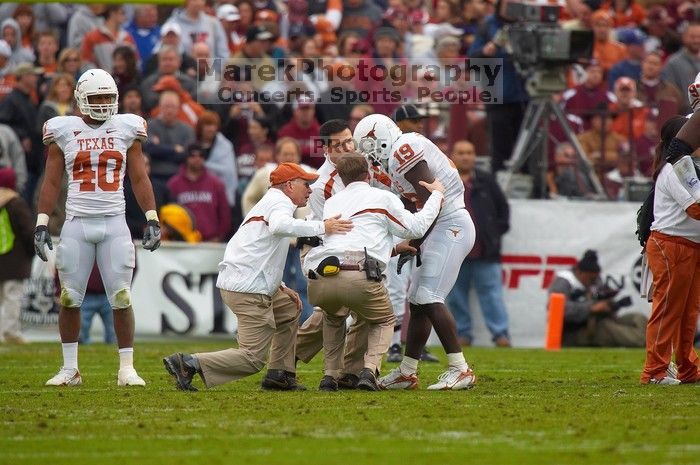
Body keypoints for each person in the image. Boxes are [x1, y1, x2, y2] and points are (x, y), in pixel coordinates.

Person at [162, 163, 353, 392]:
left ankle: (279, 374)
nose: (310, 190)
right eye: (306, 184)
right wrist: (323, 226)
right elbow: (279, 226)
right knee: (252, 358)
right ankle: (188, 363)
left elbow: (261, 250)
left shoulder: (273, 202)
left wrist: (280, 286)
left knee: (289, 309)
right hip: (248, 288)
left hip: (249, 282)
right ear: (290, 185)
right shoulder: (279, 202)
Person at [35, 69, 162, 387]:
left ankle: (127, 368)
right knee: (69, 298)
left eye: (108, 97)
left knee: (121, 296)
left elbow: (139, 177)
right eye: (97, 98)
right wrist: (41, 223)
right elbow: (51, 181)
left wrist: (152, 217)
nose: (104, 104)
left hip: (114, 222)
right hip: (76, 223)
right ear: (80, 99)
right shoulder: (63, 130)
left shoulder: (126, 128)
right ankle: (70, 368)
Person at [354, 114, 477, 390]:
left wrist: (415, 241)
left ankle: (461, 369)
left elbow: (433, 197)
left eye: (369, 147)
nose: (370, 156)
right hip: (441, 224)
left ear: (379, 140)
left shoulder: (402, 150)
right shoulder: (401, 150)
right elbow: (417, 205)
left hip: (450, 224)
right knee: (417, 301)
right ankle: (407, 372)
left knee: (428, 296)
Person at [304, 154, 446, 391]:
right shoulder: (382, 197)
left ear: (340, 177)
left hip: (322, 277)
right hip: (359, 274)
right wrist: (437, 195)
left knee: (333, 318)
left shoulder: (332, 203)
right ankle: (369, 371)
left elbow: (353, 239)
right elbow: (416, 226)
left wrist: (392, 249)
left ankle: (329, 376)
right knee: (384, 319)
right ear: (368, 174)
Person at [641, 115, 700, 385]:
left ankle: (688, 369)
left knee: (687, 314)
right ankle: (655, 371)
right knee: (668, 311)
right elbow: (695, 208)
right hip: (672, 245)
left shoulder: (688, 166)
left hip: (688, 246)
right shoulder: (675, 168)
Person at [447, 140, 511, 348]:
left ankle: (501, 335)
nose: (465, 157)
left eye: (469, 152)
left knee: (492, 295)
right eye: (461, 153)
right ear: (452, 156)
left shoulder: (486, 180)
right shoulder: (445, 181)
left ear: (475, 156)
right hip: (455, 251)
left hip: (485, 250)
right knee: (456, 297)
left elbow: (503, 211)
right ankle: (463, 335)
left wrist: (493, 234)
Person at [547, 250, 647, 348]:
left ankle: (654, 338)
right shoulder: (564, 282)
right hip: (576, 331)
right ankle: (645, 341)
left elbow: (600, 300)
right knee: (607, 327)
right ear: (579, 272)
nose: (593, 282)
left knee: (638, 318)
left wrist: (610, 305)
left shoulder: (595, 281)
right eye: (591, 279)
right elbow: (559, 309)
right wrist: (591, 308)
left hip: (601, 321)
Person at [167, 143, 231, 242]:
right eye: (192, 155)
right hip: (182, 243)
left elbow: (224, 213)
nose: (197, 159)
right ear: (186, 158)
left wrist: (219, 237)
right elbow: (168, 214)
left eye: (201, 156)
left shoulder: (216, 183)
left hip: (211, 242)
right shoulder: (173, 184)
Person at [0, 167, 32, 344]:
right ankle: (10, 332)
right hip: (15, 260)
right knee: (13, 298)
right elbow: (27, 231)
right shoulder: (15, 202)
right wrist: (32, 251)